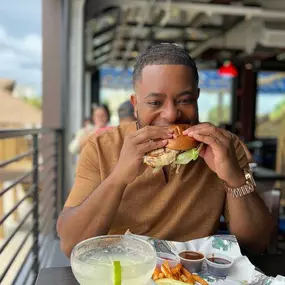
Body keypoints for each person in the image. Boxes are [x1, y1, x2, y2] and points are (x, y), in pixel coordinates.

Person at [58, 44, 274, 257]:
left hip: (194, 276)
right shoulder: (101, 147)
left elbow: (256, 244)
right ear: (135, 104)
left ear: (197, 98)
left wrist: (235, 179)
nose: (171, 115)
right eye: (154, 102)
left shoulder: (223, 147)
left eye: (185, 100)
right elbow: (71, 245)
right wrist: (118, 178)